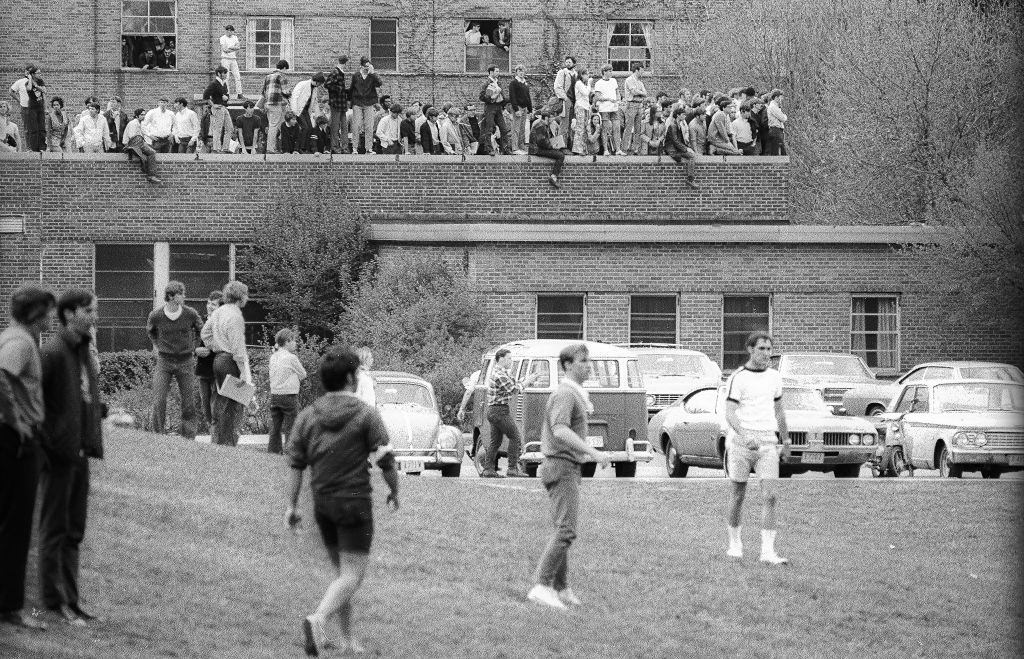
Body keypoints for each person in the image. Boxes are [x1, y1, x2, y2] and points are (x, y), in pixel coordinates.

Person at [285, 347, 399, 657]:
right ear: (351, 378)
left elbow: (296, 463)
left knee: (342, 573)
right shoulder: (365, 414)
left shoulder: (308, 415)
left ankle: (348, 641)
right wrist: (394, 490)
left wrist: (292, 505)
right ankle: (318, 618)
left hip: (322, 504)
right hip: (354, 504)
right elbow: (386, 460)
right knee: (352, 574)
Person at [527, 343, 611, 609]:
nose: (588, 365)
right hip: (562, 466)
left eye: (589, 361)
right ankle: (542, 585)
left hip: (565, 467)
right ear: (567, 365)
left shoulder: (575, 394)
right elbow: (560, 430)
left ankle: (561, 588)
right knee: (566, 531)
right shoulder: (566, 394)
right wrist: (593, 453)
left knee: (561, 528)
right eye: (582, 361)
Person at [38, 289, 103, 626]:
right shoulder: (52, 352)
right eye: (90, 310)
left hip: (80, 454)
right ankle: (51, 603)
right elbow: (36, 408)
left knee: (74, 530)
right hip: (58, 457)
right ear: (70, 313)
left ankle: (72, 603)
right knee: (55, 529)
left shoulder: (82, 350)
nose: (95, 316)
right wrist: (50, 448)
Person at [0, 285, 55, 630]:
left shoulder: (13, 336)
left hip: (14, 437)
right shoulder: (20, 342)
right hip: (16, 441)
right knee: (16, 525)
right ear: (36, 313)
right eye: (48, 310)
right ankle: (10, 607)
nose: (52, 316)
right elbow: (2, 374)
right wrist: (16, 421)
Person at [723, 331, 790, 566]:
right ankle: (734, 544)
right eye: (762, 348)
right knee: (738, 494)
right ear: (750, 349)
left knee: (770, 496)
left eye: (769, 349)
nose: (766, 353)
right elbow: (730, 412)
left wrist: (786, 440)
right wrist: (744, 435)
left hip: (767, 443)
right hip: (742, 444)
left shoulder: (774, 378)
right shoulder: (738, 378)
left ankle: (768, 552)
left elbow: (779, 410)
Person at [147, 281, 203, 440]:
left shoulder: (190, 314)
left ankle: (188, 437)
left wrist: (194, 347)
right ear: (171, 296)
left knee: (188, 401)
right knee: (159, 399)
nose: (184, 296)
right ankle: (158, 436)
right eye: (181, 294)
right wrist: (158, 345)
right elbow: (151, 332)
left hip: (185, 361)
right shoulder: (156, 315)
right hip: (164, 361)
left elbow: (201, 329)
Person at [200, 281, 252, 448]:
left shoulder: (219, 311)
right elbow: (238, 348)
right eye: (246, 294)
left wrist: (215, 347)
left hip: (218, 361)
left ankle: (220, 442)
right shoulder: (235, 316)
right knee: (233, 405)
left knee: (222, 402)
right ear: (240, 296)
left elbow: (205, 333)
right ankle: (227, 444)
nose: (247, 298)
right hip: (230, 362)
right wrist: (244, 371)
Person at [482, 348, 541, 478]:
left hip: (494, 410)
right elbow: (513, 390)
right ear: (501, 359)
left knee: (495, 442)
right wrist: (527, 382)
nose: (511, 361)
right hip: (499, 411)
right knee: (515, 437)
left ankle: (488, 469)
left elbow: (514, 383)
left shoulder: (503, 373)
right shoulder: (500, 375)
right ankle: (512, 468)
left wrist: (525, 380)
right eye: (509, 358)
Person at [268, 329, 307, 455]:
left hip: (275, 394)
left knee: (275, 426)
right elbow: (303, 374)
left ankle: (274, 451)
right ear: (287, 341)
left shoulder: (273, 357)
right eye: (294, 341)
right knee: (291, 425)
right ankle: (291, 452)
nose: (295, 343)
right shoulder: (291, 358)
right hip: (289, 395)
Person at [194, 291, 222, 443]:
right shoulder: (201, 323)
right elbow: (193, 342)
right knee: (207, 409)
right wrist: (195, 350)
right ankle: (215, 438)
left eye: (214, 304)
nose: (210, 306)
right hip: (203, 371)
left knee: (216, 408)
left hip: (218, 370)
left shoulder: (222, 324)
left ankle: (216, 441)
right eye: (209, 303)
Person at [348, 57, 383, 156]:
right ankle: (355, 148)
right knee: (356, 125)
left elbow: (379, 83)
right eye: (365, 67)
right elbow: (352, 89)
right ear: (361, 66)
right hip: (357, 103)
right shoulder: (356, 75)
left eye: (368, 66)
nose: (366, 69)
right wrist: (350, 102)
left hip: (369, 103)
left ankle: (369, 148)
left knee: (369, 126)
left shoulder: (372, 76)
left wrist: (373, 73)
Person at [9, 63, 46, 151]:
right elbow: (11, 91)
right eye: (28, 71)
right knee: (27, 128)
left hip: (36, 106)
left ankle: (38, 147)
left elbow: (43, 93)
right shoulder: (21, 82)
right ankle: (29, 147)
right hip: (25, 107)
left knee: (38, 127)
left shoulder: (38, 81)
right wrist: (19, 101)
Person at [259, 59, 290, 154]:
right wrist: (291, 96)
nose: (286, 71)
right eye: (286, 69)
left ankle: (279, 147)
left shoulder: (268, 77)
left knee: (279, 125)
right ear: (284, 68)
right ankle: (270, 149)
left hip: (268, 104)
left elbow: (263, 92)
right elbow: (285, 92)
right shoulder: (282, 76)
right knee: (274, 126)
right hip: (276, 104)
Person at [122, 107, 161, 183]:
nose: (144, 116)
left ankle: (149, 172)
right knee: (152, 152)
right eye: (142, 115)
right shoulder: (133, 123)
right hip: (132, 145)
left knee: (150, 150)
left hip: (138, 143)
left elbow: (144, 132)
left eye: (144, 115)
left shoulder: (140, 123)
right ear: (137, 116)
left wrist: (149, 137)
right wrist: (143, 144)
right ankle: (151, 175)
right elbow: (132, 137)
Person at [479, 65, 510, 156]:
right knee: (489, 129)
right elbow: (481, 97)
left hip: (498, 108)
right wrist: (491, 98)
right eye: (496, 71)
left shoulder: (498, 83)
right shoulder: (486, 83)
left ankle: (505, 148)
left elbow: (502, 97)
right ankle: (489, 149)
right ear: (491, 72)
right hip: (490, 107)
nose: (498, 73)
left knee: (504, 129)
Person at [665, 107, 699, 189]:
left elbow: (679, 140)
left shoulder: (678, 124)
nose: (685, 116)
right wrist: (686, 149)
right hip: (673, 150)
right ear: (678, 115)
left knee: (692, 155)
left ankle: (690, 179)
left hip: (676, 148)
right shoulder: (673, 125)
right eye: (683, 114)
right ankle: (690, 180)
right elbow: (675, 141)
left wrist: (687, 147)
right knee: (692, 156)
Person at [530, 111, 566, 188]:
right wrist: (552, 147)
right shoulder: (541, 126)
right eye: (551, 118)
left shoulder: (542, 125)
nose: (552, 120)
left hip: (538, 148)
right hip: (537, 149)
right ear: (546, 118)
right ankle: (553, 177)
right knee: (560, 156)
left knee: (559, 152)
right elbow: (541, 141)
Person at [203, 66, 234, 153]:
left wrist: (225, 98)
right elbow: (205, 95)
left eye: (226, 73)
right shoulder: (214, 84)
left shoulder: (224, 83)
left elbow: (227, 96)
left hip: (224, 107)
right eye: (224, 73)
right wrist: (213, 105)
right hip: (218, 107)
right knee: (218, 128)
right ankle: (216, 148)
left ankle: (225, 148)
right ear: (219, 74)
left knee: (230, 128)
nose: (225, 75)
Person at [593, 64, 622, 156]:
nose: (611, 72)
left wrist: (618, 98)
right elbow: (597, 97)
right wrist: (608, 99)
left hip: (614, 108)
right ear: (604, 72)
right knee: (605, 128)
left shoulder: (614, 81)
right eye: (609, 71)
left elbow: (617, 92)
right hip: (604, 108)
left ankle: (618, 150)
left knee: (617, 128)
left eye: (611, 71)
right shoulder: (598, 83)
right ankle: (606, 150)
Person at [620, 64, 648, 155]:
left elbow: (645, 93)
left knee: (638, 128)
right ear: (637, 70)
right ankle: (625, 148)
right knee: (628, 127)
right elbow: (633, 92)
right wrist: (640, 93)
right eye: (642, 70)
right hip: (631, 104)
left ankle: (635, 149)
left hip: (639, 105)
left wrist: (640, 93)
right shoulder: (629, 80)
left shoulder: (640, 82)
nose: (643, 72)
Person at [325, 56, 350, 154]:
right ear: (345, 63)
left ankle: (344, 147)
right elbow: (327, 84)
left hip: (342, 104)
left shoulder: (340, 72)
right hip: (336, 103)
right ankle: (335, 147)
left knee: (344, 126)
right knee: (335, 126)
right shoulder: (335, 72)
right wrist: (340, 89)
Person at [508, 64, 532, 155]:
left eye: (522, 71)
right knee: (516, 128)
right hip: (518, 107)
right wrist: (516, 109)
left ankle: (521, 146)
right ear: (516, 72)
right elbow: (512, 96)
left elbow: (528, 97)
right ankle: (515, 148)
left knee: (522, 128)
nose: (521, 73)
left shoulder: (525, 83)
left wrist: (530, 109)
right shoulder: (514, 83)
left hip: (525, 108)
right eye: (519, 71)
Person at [553, 57, 577, 145]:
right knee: (564, 124)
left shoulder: (576, 74)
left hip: (574, 102)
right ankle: (560, 146)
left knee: (572, 124)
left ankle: (569, 144)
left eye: (569, 62)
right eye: (566, 62)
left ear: (574, 63)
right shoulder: (562, 73)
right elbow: (557, 87)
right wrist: (565, 98)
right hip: (566, 100)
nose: (567, 64)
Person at [570, 68, 592, 155]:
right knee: (580, 128)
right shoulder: (579, 83)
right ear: (582, 75)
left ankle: (583, 148)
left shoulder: (584, 84)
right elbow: (586, 93)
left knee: (585, 128)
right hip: (580, 107)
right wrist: (589, 84)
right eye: (586, 74)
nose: (588, 76)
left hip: (586, 107)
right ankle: (577, 149)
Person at [219, 25, 243, 98]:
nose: (230, 32)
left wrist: (230, 48)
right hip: (225, 59)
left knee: (237, 76)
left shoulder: (235, 37)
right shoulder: (222, 38)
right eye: (228, 30)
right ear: (226, 31)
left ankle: (239, 94)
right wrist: (234, 48)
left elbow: (238, 47)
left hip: (233, 59)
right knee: (226, 77)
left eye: (231, 31)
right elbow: (224, 50)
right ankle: (227, 93)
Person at [766, 89, 787, 156]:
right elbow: (783, 118)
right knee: (778, 152)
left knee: (780, 152)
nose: (782, 99)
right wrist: (785, 116)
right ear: (776, 97)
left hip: (777, 130)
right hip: (775, 130)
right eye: (781, 97)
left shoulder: (776, 107)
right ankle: (777, 166)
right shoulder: (773, 107)